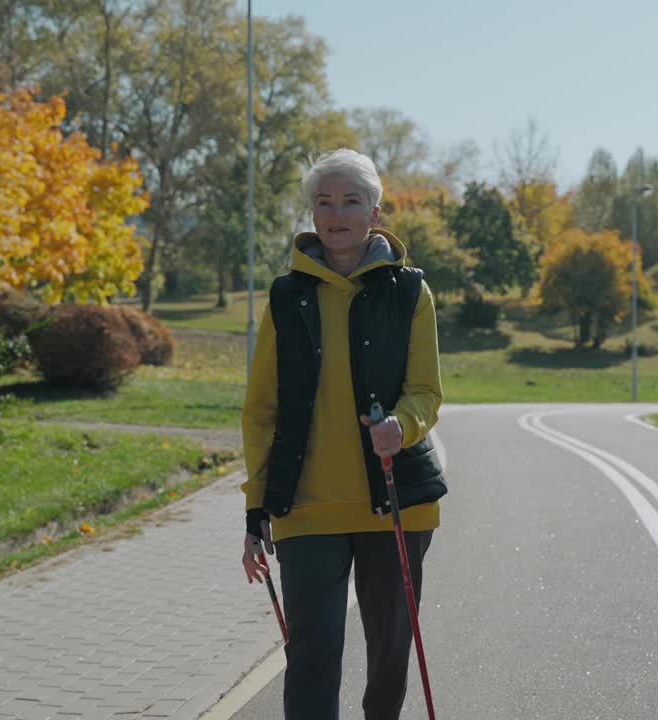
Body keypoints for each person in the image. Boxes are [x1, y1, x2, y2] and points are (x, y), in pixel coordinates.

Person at [240, 147, 447, 720]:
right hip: (305, 508)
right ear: (311, 215)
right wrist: (255, 508)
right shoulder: (285, 298)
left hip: (395, 503)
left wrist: (399, 428)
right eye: (323, 202)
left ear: (375, 213)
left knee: (388, 662)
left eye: (350, 201)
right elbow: (261, 412)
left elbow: (426, 392)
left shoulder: (410, 292)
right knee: (311, 658)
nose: (336, 214)